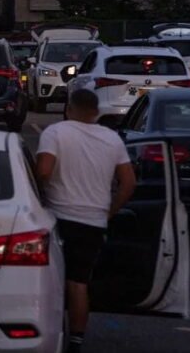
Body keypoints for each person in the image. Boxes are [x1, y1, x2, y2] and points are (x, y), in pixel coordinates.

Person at [36, 88, 136, 353]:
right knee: (79, 282)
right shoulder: (112, 139)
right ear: (96, 112)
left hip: (59, 218)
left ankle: (49, 331)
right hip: (93, 221)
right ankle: (77, 341)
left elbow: (44, 171)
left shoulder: (55, 133)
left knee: (49, 281)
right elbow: (128, 183)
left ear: (68, 108)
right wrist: (109, 211)